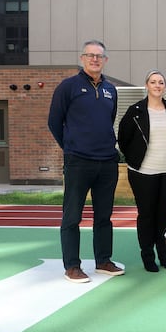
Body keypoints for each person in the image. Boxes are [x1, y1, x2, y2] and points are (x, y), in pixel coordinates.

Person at [48, 39, 124, 283]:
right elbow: (54, 122)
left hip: (107, 162)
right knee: (72, 216)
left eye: (99, 56)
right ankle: (72, 266)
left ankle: (103, 260)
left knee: (104, 216)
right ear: (82, 59)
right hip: (78, 161)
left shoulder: (111, 90)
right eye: (90, 55)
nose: (94, 59)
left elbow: (108, 120)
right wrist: (71, 147)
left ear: (105, 60)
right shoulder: (68, 86)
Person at [118, 70, 166, 272]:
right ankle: (148, 255)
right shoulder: (135, 110)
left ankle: (164, 254)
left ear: (165, 87)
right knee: (146, 214)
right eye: (153, 82)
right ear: (146, 85)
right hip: (143, 172)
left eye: (161, 82)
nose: (157, 85)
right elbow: (123, 139)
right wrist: (135, 159)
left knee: (164, 215)